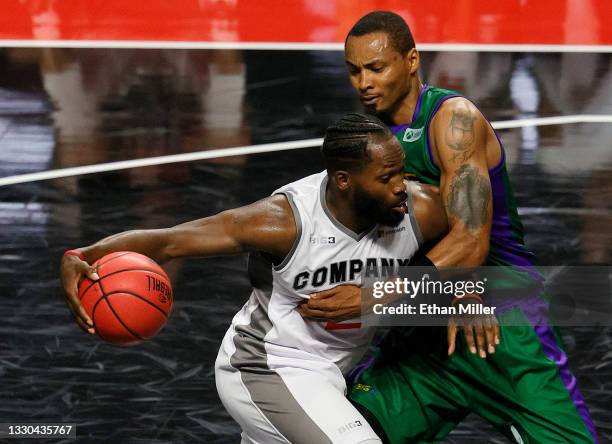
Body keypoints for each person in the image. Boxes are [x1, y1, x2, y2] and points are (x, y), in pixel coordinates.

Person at [61, 113, 453, 444]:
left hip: (334, 372)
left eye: (401, 172)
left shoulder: (418, 211)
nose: (400, 185)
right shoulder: (282, 222)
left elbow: (478, 251)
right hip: (267, 365)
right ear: (344, 181)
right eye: (386, 178)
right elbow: (170, 241)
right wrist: (83, 256)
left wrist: (472, 300)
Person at [300, 11, 599, 444]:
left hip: (501, 327)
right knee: (339, 433)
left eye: (376, 68)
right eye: (354, 70)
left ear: (412, 60)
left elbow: (471, 240)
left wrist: (373, 296)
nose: (363, 81)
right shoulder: (369, 138)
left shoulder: (453, 120)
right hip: (425, 330)